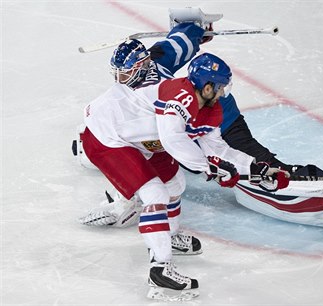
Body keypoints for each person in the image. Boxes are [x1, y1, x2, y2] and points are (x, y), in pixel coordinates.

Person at [75, 10, 323, 242]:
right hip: (198, 117)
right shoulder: (154, 64)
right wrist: (194, 27)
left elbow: (182, 144)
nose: (122, 79)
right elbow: (177, 44)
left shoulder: (157, 89)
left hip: (217, 122)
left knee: (253, 171)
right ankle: (132, 199)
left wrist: (214, 165)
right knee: (204, 164)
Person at [80, 33, 288, 301]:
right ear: (208, 87)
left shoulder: (209, 108)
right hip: (106, 139)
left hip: (143, 141)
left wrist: (256, 169)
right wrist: (209, 167)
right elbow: (173, 139)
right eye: (221, 87)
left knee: (175, 184)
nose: (225, 92)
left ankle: (169, 235)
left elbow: (218, 150)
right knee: (155, 194)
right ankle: (160, 269)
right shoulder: (178, 96)